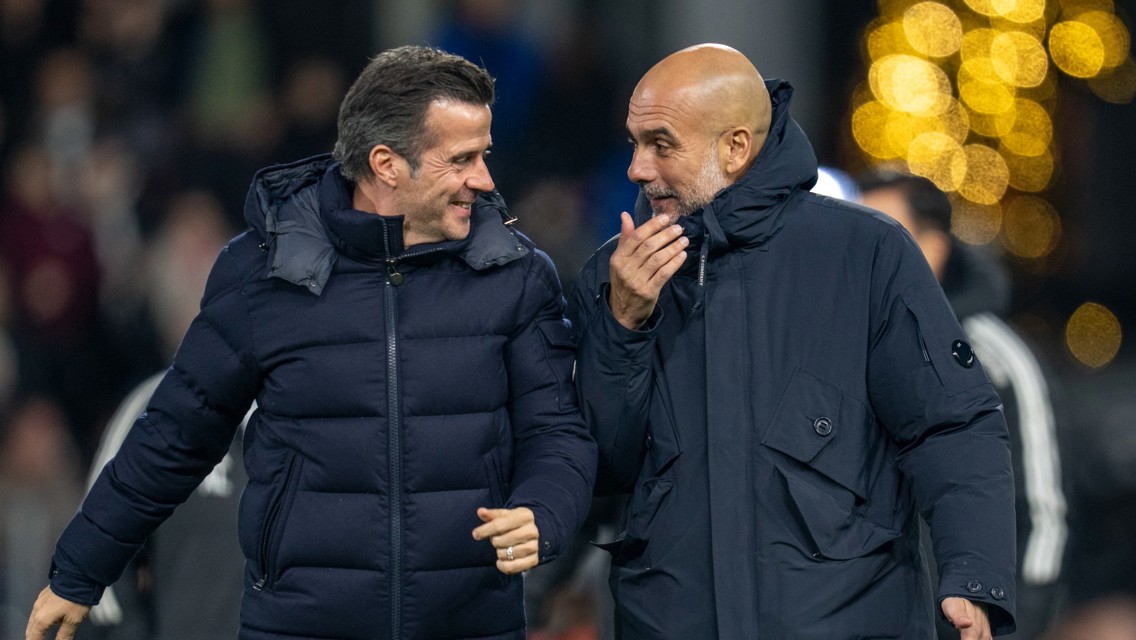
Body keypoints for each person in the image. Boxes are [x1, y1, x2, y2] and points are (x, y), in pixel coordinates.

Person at [26, 45, 597, 640]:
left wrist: (543, 510)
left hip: (470, 627)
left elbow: (557, 431)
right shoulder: (263, 273)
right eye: (462, 160)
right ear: (386, 164)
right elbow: (176, 435)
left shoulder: (517, 275)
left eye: (484, 155)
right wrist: (78, 573)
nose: (485, 180)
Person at [567, 44, 1017, 639]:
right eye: (634, 143)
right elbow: (600, 469)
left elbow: (951, 426)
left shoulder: (865, 253)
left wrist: (974, 576)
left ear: (735, 147)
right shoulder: (615, 277)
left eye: (661, 144)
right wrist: (622, 327)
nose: (637, 168)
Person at [858, 169, 1067, 639]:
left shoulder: (996, 357)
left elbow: (1043, 514)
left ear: (933, 248)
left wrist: (1013, 628)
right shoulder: (838, 346)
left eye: (883, 239)